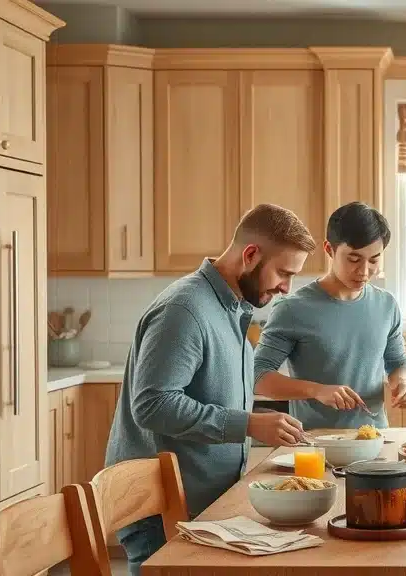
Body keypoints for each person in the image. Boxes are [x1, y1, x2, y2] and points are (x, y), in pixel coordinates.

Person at [105, 204, 316, 575]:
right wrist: (248, 424)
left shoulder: (231, 307)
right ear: (250, 255)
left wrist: (259, 420)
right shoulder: (185, 308)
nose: (287, 287)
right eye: (284, 272)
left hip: (202, 507)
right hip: (162, 510)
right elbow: (153, 405)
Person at [254, 201, 406, 430]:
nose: (364, 271)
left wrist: (404, 383)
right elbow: (257, 375)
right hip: (314, 446)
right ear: (329, 250)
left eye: (374, 260)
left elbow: (399, 362)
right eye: (353, 258)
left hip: (374, 441)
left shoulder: (386, 305)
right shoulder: (292, 309)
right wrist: (317, 390)